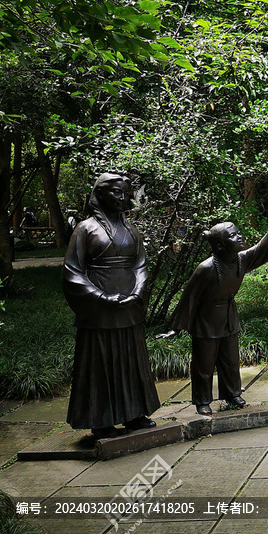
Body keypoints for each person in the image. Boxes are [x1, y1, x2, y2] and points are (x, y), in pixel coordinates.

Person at [158, 220, 268, 415]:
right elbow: (189, 298)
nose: (239, 237)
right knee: (204, 364)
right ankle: (202, 400)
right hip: (206, 320)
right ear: (220, 245)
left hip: (229, 316)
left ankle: (232, 394)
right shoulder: (205, 268)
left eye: (237, 232)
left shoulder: (241, 259)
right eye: (233, 235)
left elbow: (260, 250)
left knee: (230, 360)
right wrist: (176, 327)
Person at [62, 172, 160, 438]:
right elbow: (72, 272)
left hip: (129, 305)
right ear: (100, 194)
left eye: (124, 193)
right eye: (115, 192)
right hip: (100, 308)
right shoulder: (85, 229)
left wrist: (138, 290)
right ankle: (102, 420)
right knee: (101, 363)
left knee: (131, 359)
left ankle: (134, 413)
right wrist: (101, 297)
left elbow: (140, 265)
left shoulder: (132, 230)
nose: (121, 198)